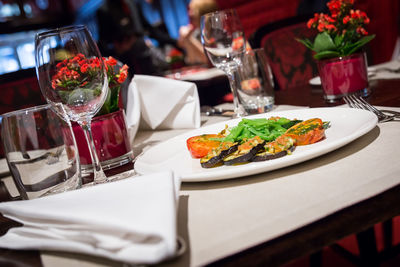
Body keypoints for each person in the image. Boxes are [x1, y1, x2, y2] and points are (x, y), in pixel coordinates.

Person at [96, 0, 176, 75]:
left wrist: (176, 42)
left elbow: (151, 30)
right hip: (127, 65)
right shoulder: (103, 10)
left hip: (146, 59)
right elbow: (103, 45)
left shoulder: (132, 3)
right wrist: (118, 48)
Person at [177, 0, 219, 65]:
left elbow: (209, 60)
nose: (189, 14)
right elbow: (192, 61)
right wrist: (186, 40)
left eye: (192, 10)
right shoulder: (197, 33)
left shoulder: (218, 32)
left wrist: (189, 39)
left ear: (203, 11)